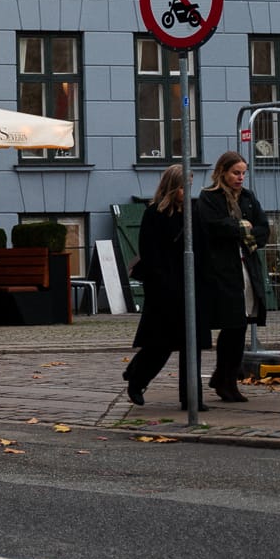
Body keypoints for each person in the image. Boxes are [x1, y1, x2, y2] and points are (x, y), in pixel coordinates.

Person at [123, 164, 207, 411]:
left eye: (189, 185)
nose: (186, 191)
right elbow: (150, 253)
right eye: (183, 186)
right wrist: (163, 282)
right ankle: (137, 378)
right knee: (161, 343)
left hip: (191, 286)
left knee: (191, 345)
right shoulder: (154, 214)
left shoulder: (194, 212)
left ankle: (192, 397)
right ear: (172, 187)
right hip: (165, 288)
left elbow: (202, 248)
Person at [196, 150, 269, 403]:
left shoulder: (248, 198)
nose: (240, 178)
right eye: (236, 173)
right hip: (222, 270)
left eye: (243, 173)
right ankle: (225, 379)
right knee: (231, 323)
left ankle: (225, 377)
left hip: (246, 267)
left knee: (240, 324)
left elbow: (263, 229)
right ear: (223, 172)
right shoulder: (209, 197)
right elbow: (214, 227)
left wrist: (242, 230)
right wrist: (241, 227)